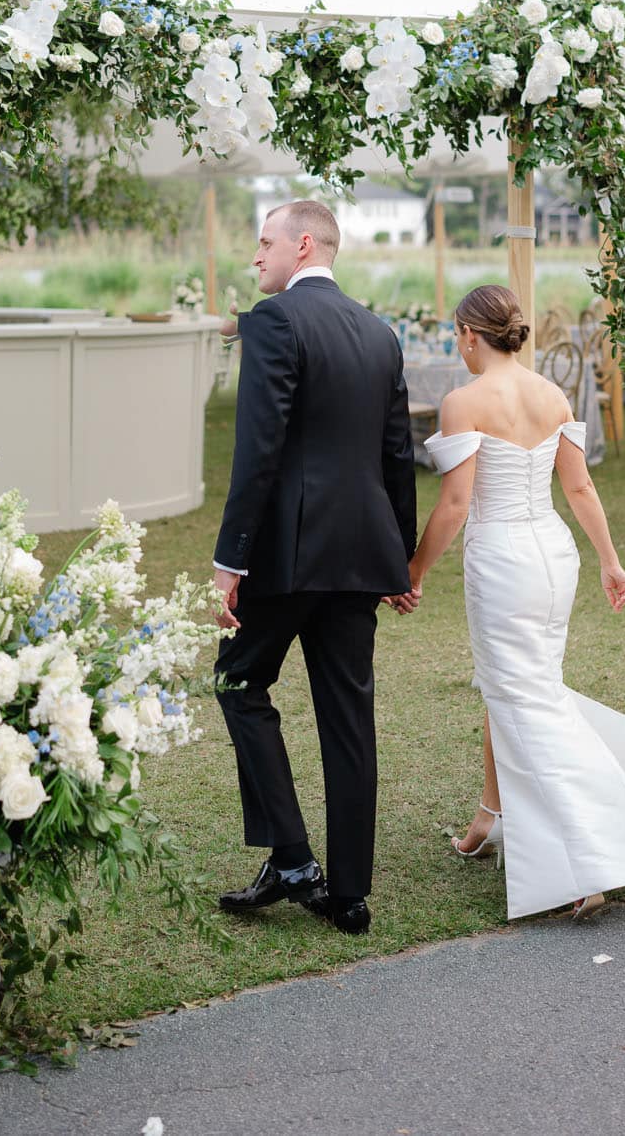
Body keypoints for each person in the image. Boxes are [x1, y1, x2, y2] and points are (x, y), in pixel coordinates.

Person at [409, 284, 625, 921]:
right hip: (555, 555)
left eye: (456, 335)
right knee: (517, 689)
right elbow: (578, 486)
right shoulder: (553, 394)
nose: (457, 345)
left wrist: (413, 571)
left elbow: (456, 504)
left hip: (501, 559)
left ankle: (592, 857)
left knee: (523, 696)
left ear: (472, 334)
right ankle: (488, 820)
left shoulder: (461, 402)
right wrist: (609, 559)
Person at [212, 199, 417, 936]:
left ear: (302, 245)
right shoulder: (377, 331)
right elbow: (397, 451)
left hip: (288, 555)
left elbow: (258, 448)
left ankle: (294, 858)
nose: (254, 257)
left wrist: (228, 560)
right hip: (361, 555)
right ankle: (350, 895)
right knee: (348, 718)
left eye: (262, 242)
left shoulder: (271, 322)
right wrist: (399, 558)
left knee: (235, 680)